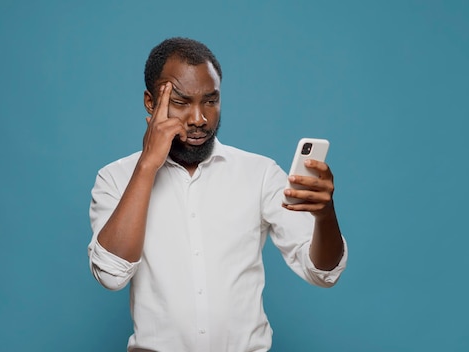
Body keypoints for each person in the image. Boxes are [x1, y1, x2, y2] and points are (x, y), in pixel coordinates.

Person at [88, 37, 348, 352]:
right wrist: (146, 167)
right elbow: (111, 275)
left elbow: (322, 272)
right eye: (181, 102)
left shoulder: (260, 174)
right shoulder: (115, 178)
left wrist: (325, 215)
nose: (199, 119)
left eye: (210, 101)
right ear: (150, 103)